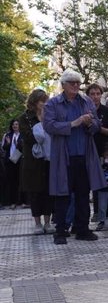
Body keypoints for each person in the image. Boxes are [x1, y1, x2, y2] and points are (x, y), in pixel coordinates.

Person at [43, 70, 106, 244]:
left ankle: (82, 229)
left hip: (84, 156)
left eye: (78, 82)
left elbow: (97, 125)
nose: (76, 85)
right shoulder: (53, 104)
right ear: (63, 85)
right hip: (64, 157)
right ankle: (60, 231)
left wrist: (90, 123)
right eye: (72, 82)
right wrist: (74, 123)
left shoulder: (86, 101)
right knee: (62, 195)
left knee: (83, 194)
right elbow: (49, 126)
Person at [18, 89, 53, 234]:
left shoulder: (49, 116)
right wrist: (41, 128)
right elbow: (28, 137)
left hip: (48, 158)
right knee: (35, 192)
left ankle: (48, 223)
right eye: (41, 101)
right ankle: (37, 223)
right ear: (34, 102)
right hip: (33, 161)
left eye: (46, 101)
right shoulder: (25, 118)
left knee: (48, 192)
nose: (44, 104)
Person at [86, 83, 108, 222]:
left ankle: (106, 213)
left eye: (98, 94)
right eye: (92, 94)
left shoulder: (107, 112)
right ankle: (94, 212)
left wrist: (97, 127)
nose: (95, 97)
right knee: (90, 185)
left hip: (104, 151)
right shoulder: (83, 110)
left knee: (106, 183)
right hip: (87, 151)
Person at [3, 119, 22, 209]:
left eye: (17, 124)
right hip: (10, 161)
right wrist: (8, 143)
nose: (15, 126)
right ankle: (12, 202)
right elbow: (4, 148)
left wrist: (18, 144)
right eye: (13, 124)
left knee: (20, 181)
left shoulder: (22, 135)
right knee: (11, 182)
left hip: (20, 161)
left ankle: (21, 201)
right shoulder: (7, 135)